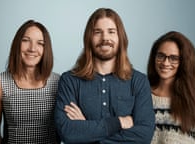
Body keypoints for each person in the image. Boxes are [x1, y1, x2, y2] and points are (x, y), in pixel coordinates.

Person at [54, 8, 155, 144]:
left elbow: (144, 136)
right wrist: (118, 122)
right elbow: (67, 132)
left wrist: (87, 133)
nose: (105, 38)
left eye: (111, 32)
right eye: (97, 32)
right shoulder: (69, 81)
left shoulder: (139, 81)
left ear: (121, 38)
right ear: (89, 38)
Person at [0, 20, 60, 144]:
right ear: (17, 44)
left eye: (40, 43)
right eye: (25, 40)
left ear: (45, 49)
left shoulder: (58, 82)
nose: (32, 48)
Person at [147, 31, 195, 144]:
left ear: (184, 62)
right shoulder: (141, 94)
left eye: (173, 58)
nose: (165, 62)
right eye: (161, 56)